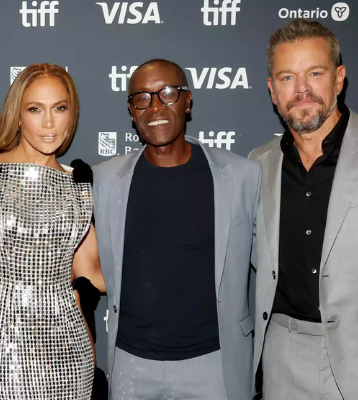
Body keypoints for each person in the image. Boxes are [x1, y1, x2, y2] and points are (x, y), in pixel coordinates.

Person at [93, 59, 261, 400]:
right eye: (142, 97)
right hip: (130, 363)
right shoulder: (104, 180)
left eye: (167, 93)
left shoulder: (242, 176)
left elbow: (272, 268)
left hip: (215, 363)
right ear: (131, 109)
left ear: (187, 100)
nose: (155, 106)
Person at [0, 63, 106, 400]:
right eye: (35, 109)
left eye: (60, 108)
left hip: (69, 348)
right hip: (2, 346)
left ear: (72, 114)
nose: (49, 122)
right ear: (18, 115)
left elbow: (93, 274)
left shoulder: (79, 183)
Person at [250, 19, 357, 400]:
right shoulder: (257, 165)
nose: (302, 90)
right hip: (282, 354)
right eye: (287, 78)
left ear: (339, 78)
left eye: (315, 73)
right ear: (272, 91)